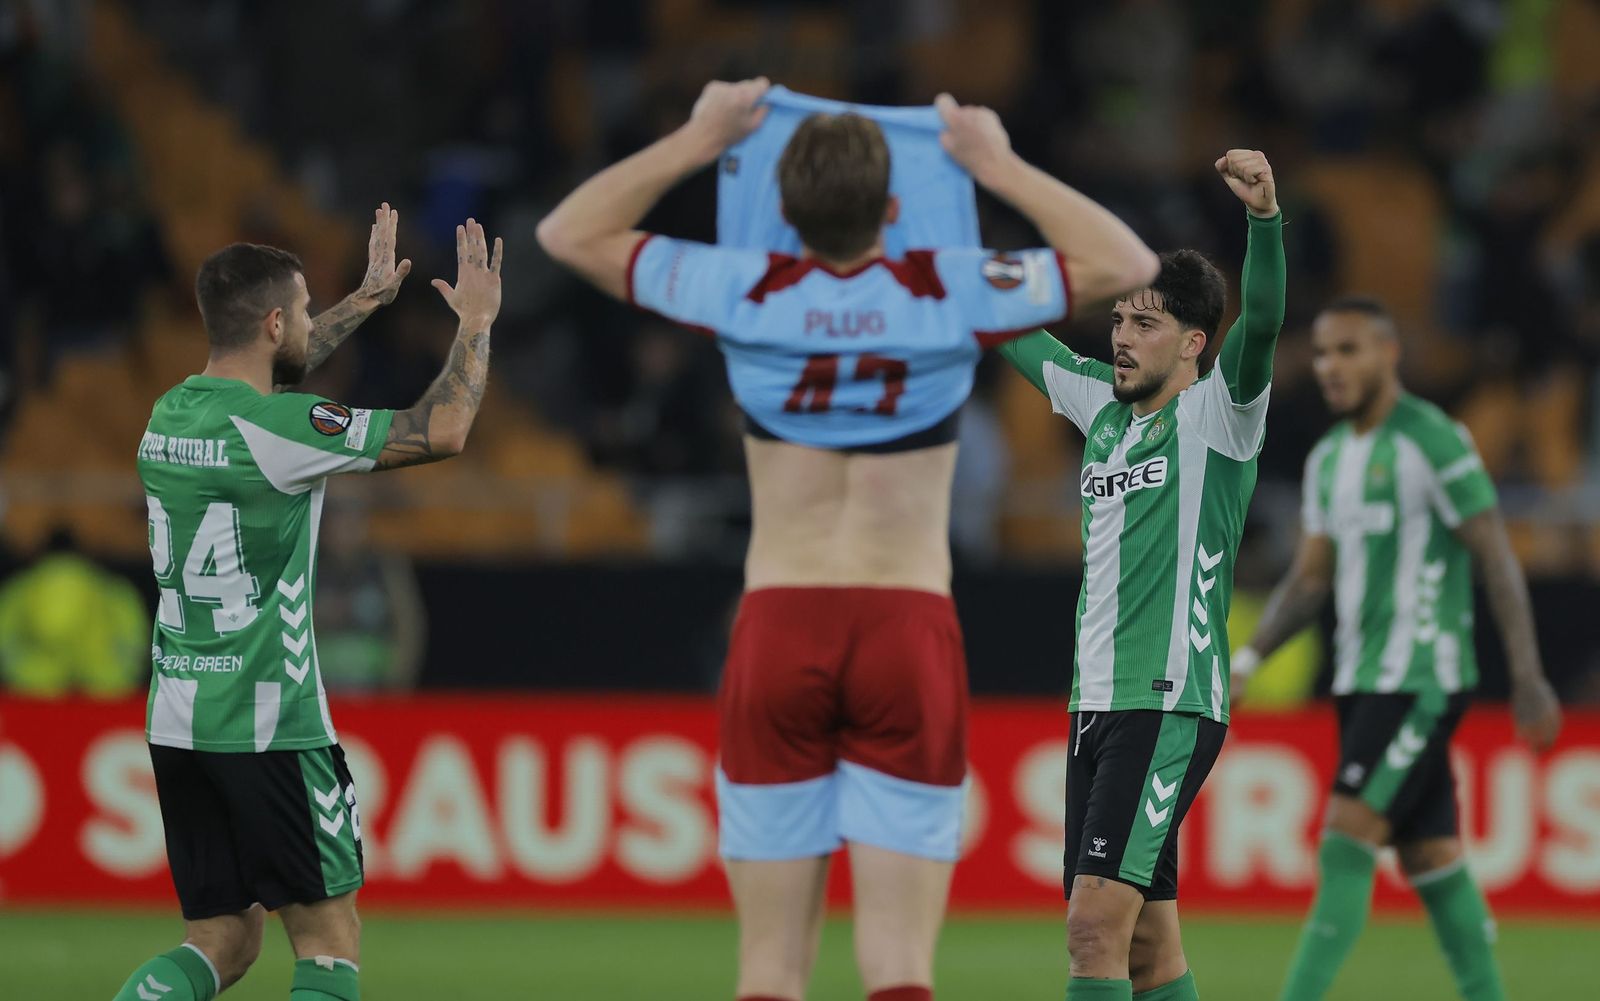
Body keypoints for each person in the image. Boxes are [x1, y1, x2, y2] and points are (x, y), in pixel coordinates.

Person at [537, 78, 1157, 1001]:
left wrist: (700, 140)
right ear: (896, 209)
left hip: (780, 621)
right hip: (905, 621)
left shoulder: (744, 286)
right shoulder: (950, 287)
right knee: (899, 966)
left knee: (768, 968)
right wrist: (996, 164)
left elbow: (567, 234)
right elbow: (1125, 259)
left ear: (781, 211)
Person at [116, 205, 503, 1001]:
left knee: (221, 940)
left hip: (180, 716)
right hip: (271, 723)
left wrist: (364, 300)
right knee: (329, 940)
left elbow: (269, 368)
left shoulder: (169, 414)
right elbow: (443, 429)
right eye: (300, 311)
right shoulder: (280, 429)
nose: (306, 323)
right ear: (272, 323)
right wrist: (475, 323)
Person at [997, 149, 1285, 1001]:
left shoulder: (1219, 415)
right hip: (1093, 700)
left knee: (1093, 927)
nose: (1121, 336)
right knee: (1150, 948)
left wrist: (1265, 220)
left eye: (1146, 323)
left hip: (1166, 701)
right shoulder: (1098, 406)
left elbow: (1264, 321)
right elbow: (1008, 326)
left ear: (1194, 343)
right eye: (1120, 317)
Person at [1230, 296, 1563, 1001]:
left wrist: (1529, 675)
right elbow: (1309, 579)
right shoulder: (1328, 458)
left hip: (1419, 677)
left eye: (1348, 350)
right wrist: (1249, 658)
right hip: (1359, 680)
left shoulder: (1433, 438)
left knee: (1345, 835)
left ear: (1389, 354)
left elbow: (1495, 553)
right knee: (1432, 856)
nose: (1331, 366)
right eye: (1323, 352)